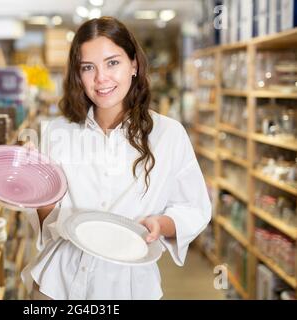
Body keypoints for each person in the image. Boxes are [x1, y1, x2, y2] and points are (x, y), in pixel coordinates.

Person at [21, 16, 212, 300]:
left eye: (113, 62)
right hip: (56, 285)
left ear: (133, 65)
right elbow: (50, 225)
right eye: (88, 67)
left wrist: (161, 224)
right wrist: (36, 185)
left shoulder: (169, 135)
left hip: (132, 288)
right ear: (78, 74)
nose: (101, 78)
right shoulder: (56, 132)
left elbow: (194, 208)